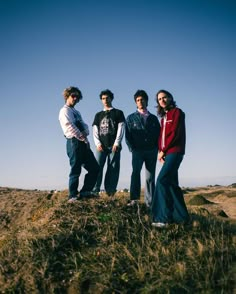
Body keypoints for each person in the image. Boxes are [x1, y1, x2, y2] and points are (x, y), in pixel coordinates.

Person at [151, 89, 189, 227]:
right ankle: (182, 218)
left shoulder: (177, 112)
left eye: (164, 97)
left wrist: (164, 150)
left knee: (161, 181)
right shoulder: (164, 118)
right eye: (159, 99)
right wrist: (161, 151)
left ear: (170, 98)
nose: (162, 100)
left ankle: (162, 218)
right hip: (167, 153)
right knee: (172, 184)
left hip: (175, 151)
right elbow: (161, 138)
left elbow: (174, 134)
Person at [59, 86, 99, 202]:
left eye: (77, 97)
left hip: (83, 142)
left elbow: (86, 128)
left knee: (94, 168)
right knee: (76, 169)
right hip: (73, 142)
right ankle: (72, 195)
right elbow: (70, 126)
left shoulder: (76, 112)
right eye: (73, 96)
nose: (75, 98)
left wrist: (84, 135)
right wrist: (83, 135)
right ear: (67, 96)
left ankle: (85, 191)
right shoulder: (64, 111)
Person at [125, 90, 160, 207]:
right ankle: (134, 199)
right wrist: (132, 149)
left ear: (146, 101)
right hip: (137, 151)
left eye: (142, 99)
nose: (140, 102)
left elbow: (159, 135)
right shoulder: (130, 118)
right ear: (136, 102)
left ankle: (150, 203)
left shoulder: (154, 118)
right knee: (135, 173)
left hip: (151, 151)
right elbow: (127, 135)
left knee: (150, 177)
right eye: (138, 100)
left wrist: (158, 149)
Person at [92, 89, 125, 196]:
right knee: (97, 167)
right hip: (101, 146)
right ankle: (95, 191)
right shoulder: (98, 115)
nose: (105, 100)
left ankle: (110, 192)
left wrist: (117, 143)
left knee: (113, 169)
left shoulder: (118, 113)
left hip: (114, 146)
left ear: (111, 98)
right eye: (103, 98)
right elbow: (95, 130)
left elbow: (121, 128)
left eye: (107, 98)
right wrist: (97, 143)